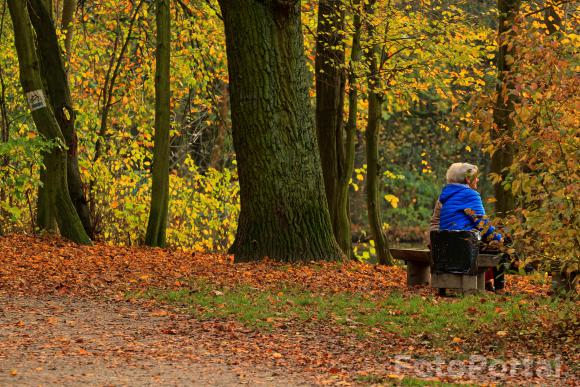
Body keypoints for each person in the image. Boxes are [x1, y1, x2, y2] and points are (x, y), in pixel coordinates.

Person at [430, 162, 506, 292]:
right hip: (464, 246)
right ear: (467, 179)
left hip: (446, 245)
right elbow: (483, 224)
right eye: (475, 177)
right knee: (500, 245)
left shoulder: (446, 194)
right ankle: (500, 289)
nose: (477, 179)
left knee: (488, 242)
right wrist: (499, 238)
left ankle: (488, 282)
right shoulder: (470, 194)